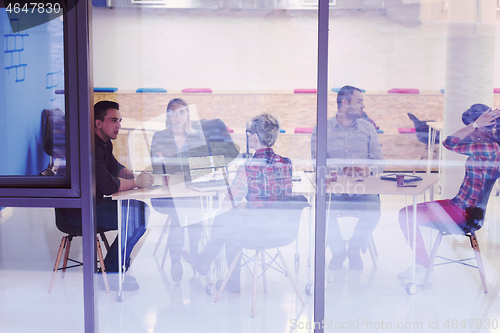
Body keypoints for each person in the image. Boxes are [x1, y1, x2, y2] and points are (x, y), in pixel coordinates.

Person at [182, 113, 293, 293]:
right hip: (281, 230)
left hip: (257, 232)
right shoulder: (286, 163)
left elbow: (228, 203)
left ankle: (214, 267)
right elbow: (283, 197)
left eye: (249, 133)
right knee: (233, 220)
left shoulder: (248, 167)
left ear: (255, 137)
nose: (247, 136)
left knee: (226, 218)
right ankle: (209, 264)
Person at [398, 104, 500, 285]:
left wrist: (474, 125)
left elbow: (448, 142)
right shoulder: (487, 145)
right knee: (406, 213)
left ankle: (423, 267)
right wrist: (476, 126)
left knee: (407, 215)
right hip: (459, 204)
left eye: (474, 126)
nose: (470, 132)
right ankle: (422, 265)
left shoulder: (489, 147)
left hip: (465, 213)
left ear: (484, 126)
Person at [58, 101, 155, 290]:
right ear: (98, 123)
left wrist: (137, 176)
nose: (118, 125)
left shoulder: (103, 143)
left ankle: (112, 266)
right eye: (113, 120)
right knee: (137, 216)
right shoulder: (91, 147)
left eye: (119, 120)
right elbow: (108, 185)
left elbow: (116, 167)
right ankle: (111, 271)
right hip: (78, 213)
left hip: (91, 205)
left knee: (140, 210)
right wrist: (137, 183)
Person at [311, 85, 385, 271]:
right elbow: (316, 164)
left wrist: (367, 169)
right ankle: (337, 252)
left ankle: (353, 249)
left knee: (374, 207)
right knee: (321, 209)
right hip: (334, 191)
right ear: (345, 103)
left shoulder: (368, 128)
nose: (363, 106)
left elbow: (380, 163)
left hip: (363, 191)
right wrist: (344, 169)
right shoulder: (321, 128)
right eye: (359, 101)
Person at [150, 98, 206, 284]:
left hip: (192, 191)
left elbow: (202, 167)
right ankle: (176, 262)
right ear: (167, 115)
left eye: (182, 112)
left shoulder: (196, 136)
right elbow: (157, 168)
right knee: (178, 213)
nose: (177, 116)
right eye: (173, 112)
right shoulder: (159, 136)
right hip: (169, 192)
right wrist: (180, 166)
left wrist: (172, 162)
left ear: (188, 115)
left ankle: (194, 253)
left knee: (193, 208)